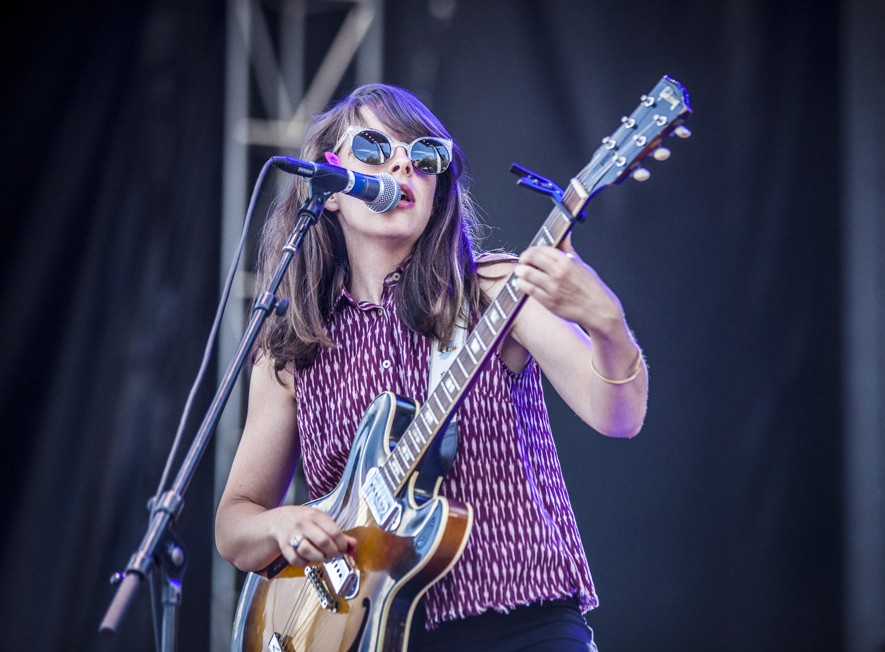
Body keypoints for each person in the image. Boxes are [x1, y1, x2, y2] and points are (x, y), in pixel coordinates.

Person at [215, 83, 648, 651]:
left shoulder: (492, 291)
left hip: (525, 625)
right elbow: (235, 525)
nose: (403, 163)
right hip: (369, 634)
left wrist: (608, 324)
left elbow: (617, 413)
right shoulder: (293, 345)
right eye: (374, 149)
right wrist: (283, 525)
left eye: (425, 157)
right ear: (331, 188)